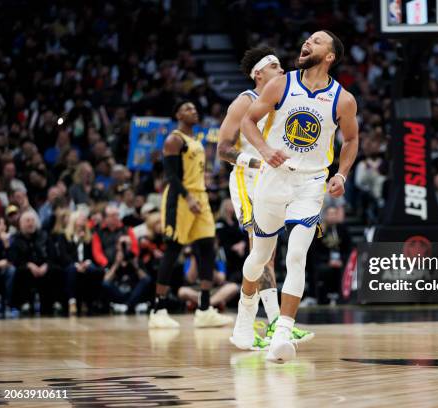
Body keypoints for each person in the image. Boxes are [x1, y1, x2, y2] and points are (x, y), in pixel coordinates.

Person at [230, 30, 359, 363]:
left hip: (311, 182)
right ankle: (245, 314)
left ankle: (283, 332)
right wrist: (264, 149)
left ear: (330, 56)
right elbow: (248, 121)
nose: (307, 43)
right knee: (260, 257)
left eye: (316, 41)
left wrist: (341, 174)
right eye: (307, 40)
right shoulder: (281, 84)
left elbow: (351, 141)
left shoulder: (342, 99)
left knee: (297, 254)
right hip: (273, 179)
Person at [217, 46, 312, 347]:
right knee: (261, 251)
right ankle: (273, 323)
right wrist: (256, 161)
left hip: (275, 181)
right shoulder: (244, 101)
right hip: (248, 180)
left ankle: (261, 324)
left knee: (269, 253)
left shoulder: (279, 104)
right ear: (258, 74)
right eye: (274, 66)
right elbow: (222, 149)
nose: (282, 71)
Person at [148, 101, 232, 329]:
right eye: (187, 108)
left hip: (200, 196)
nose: (193, 111)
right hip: (180, 198)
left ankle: (204, 309)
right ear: (177, 114)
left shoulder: (196, 140)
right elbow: (171, 176)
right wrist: (188, 197)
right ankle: (158, 309)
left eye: (195, 109)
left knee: (207, 248)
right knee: (173, 249)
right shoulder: (174, 140)